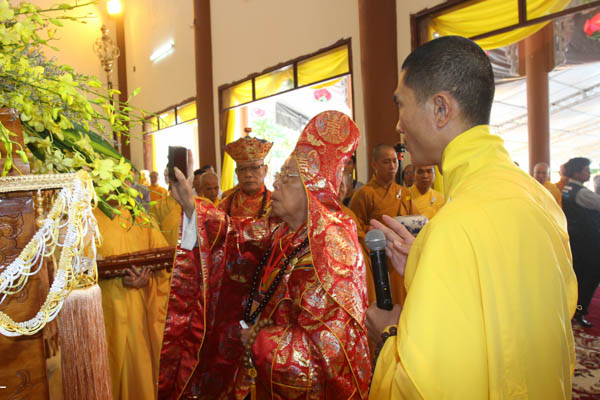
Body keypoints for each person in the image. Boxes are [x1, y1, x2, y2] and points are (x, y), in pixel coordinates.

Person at [367, 36, 577, 399]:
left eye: (401, 105)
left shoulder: (454, 225)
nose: (398, 125)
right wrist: (424, 260)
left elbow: (421, 387)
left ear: (440, 109)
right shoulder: (537, 196)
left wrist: (388, 336)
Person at [158, 111, 371, 399]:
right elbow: (235, 237)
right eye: (280, 174)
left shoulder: (332, 250)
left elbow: (327, 356)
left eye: (287, 177)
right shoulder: (283, 230)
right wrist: (189, 204)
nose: (277, 183)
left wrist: (259, 340)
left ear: (314, 188)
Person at [95, 208, 171, 400]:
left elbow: (165, 269)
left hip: (139, 315)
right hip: (104, 314)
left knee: (138, 373)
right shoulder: (84, 219)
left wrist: (147, 279)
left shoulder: (140, 218)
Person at [350, 143, 411, 305]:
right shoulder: (364, 194)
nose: (392, 166)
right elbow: (355, 228)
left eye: (394, 161)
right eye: (386, 162)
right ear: (374, 165)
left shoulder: (404, 192)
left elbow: (415, 222)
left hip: (402, 256)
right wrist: (374, 233)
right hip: (378, 260)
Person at [562, 157, 600, 328]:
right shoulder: (582, 193)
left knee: (578, 275)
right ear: (576, 172)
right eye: (586, 170)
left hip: (576, 238)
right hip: (588, 240)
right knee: (590, 276)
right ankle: (580, 309)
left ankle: (572, 307)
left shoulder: (567, 188)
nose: (588, 173)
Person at [219, 136, 272, 218]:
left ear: (265, 170)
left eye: (254, 168)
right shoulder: (224, 205)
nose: (248, 174)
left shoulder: (275, 203)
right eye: (242, 169)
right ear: (237, 173)